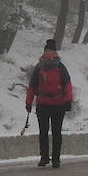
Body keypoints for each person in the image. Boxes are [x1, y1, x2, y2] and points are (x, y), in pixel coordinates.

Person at [25, 38, 74, 168]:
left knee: (51, 132)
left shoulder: (54, 68)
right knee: (49, 132)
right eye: (48, 51)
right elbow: (32, 86)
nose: (49, 54)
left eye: (51, 51)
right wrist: (29, 102)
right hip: (49, 104)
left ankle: (51, 158)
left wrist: (68, 100)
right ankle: (49, 158)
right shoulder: (46, 68)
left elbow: (67, 85)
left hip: (53, 104)